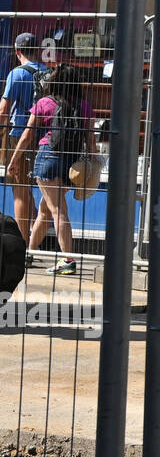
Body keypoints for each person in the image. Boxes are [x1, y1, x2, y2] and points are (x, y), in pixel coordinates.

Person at [8, 64, 92, 276]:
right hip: (71, 165)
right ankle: (28, 253)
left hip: (47, 159)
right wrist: (90, 164)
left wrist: (14, 160)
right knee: (46, 210)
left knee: (57, 211)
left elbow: (27, 135)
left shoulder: (44, 103)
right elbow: (91, 141)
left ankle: (68, 260)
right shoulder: (84, 106)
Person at [0, 32, 48, 244]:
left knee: (19, 190)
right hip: (44, 138)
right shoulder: (49, 72)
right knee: (31, 186)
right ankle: (33, 230)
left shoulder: (16, 74)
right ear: (37, 50)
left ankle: (21, 244)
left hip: (19, 135)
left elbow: (4, 110)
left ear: (17, 51)